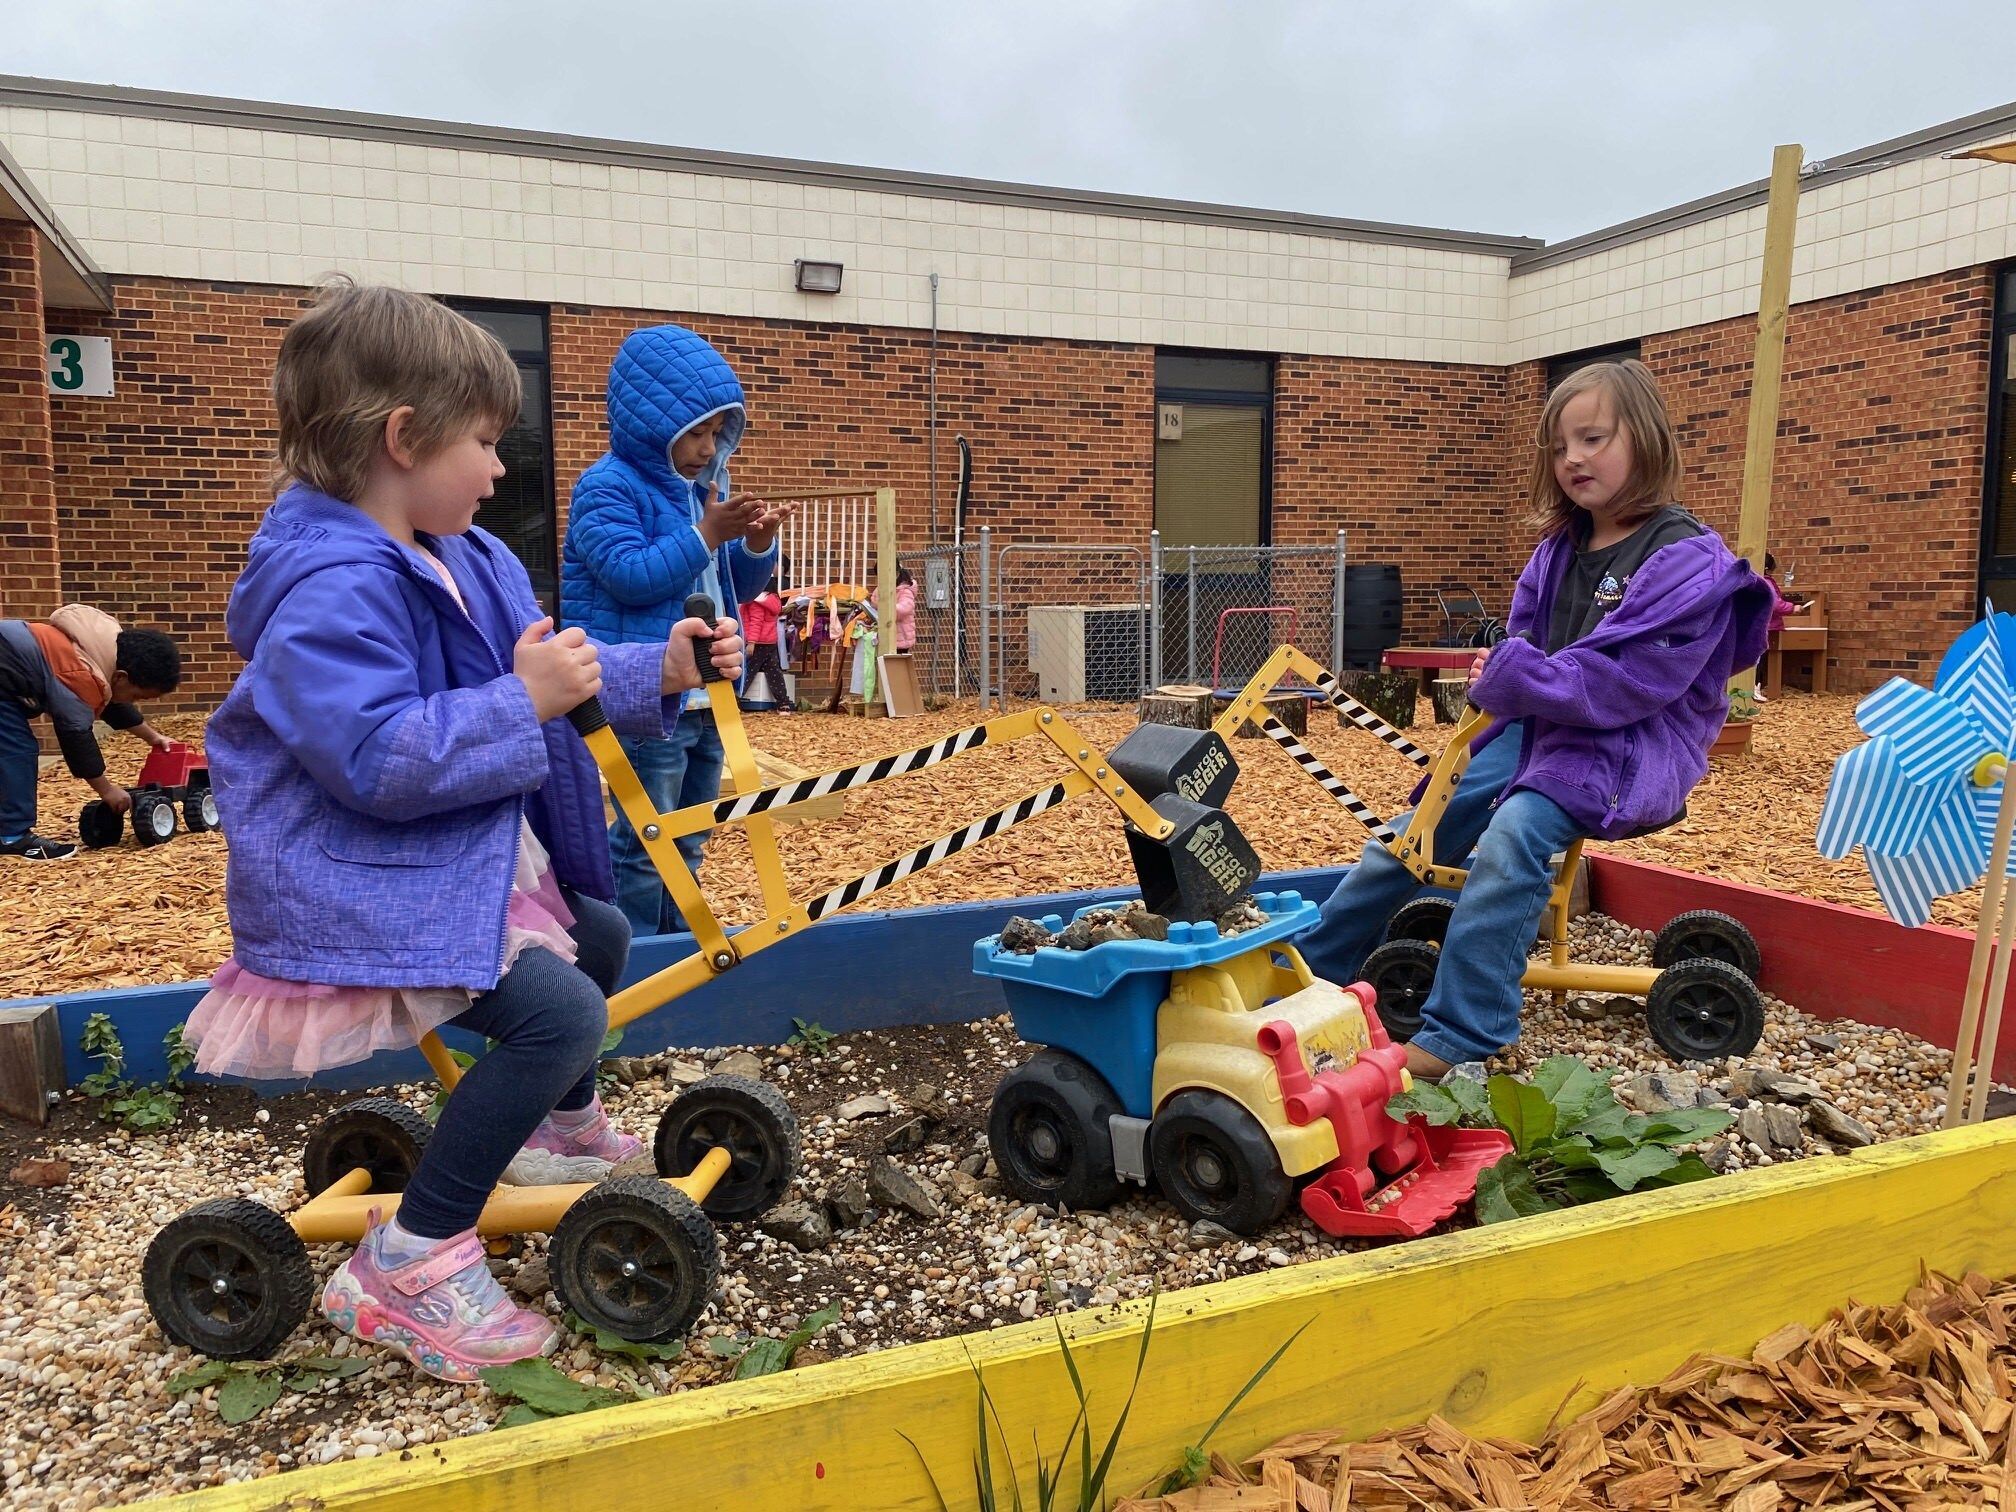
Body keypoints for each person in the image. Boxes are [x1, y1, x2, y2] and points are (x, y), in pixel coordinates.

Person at [184, 281, 745, 1381]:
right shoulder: (328, 587)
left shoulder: (467, 553)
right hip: (360, 878)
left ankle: (553, 1129)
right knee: (559, 1014)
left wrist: (660, 668)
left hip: (439, 855)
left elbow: (547, 665)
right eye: (484, 443)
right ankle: (410, 1259)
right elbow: (375, 755)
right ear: (403, 439)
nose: (498, 470)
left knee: (598, 932)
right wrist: (519, 702)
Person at [1297, 359, 1772, 1080]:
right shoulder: (1559, 550)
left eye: (1592, 439)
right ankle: (1312, 968)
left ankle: (1463, 1030)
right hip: (1543, 726)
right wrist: (1504, 681)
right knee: (1416, 829)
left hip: (1626, 745)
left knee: (1513, 835)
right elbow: (1522, 644)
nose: (1573, 458)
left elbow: (1630, 682)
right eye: (1559, 447)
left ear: (1645, 439)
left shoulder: (1685, 563)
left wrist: (1518, 677)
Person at [560, 324, 793, 935]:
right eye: (694, 432)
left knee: (692, 831)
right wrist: (707, 533)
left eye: (716, 432)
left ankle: (677, 941)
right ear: (649, 422)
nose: (706, 447)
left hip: (708, 692)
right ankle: (633, 953)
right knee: (646, 838)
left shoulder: (699, 494)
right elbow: (629, 575)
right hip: (647, 694)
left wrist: (755, 545)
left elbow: (731, 584)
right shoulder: (606, 487)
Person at [0, 605, 181, 860]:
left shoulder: (99, 653)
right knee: (16, 751)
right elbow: (76, 736)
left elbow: (111, 704)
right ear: (121, 678)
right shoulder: (80, 674)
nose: (134, 702)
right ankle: (13, 837)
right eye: (137, 696)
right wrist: (106, 790)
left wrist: (153, 737)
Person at [1757, 552, 1810, 701]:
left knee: (1757, 656)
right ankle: (1755, 687)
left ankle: (1754, 687)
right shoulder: (1766, 582)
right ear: (1768, 568)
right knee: (1759, 657)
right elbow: (1775, 604)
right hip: (1764, 625)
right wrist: (1793, 608)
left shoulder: (1752, 580)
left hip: (1757, 624)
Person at [739, 575, 791, 712]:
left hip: (757, 643)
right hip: (770, 642)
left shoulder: (756, 601)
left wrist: (751, 642)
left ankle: (735, 700)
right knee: (774, 673)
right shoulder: (772, 600)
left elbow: (756, 623)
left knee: (747, 672)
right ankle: (783, 703)